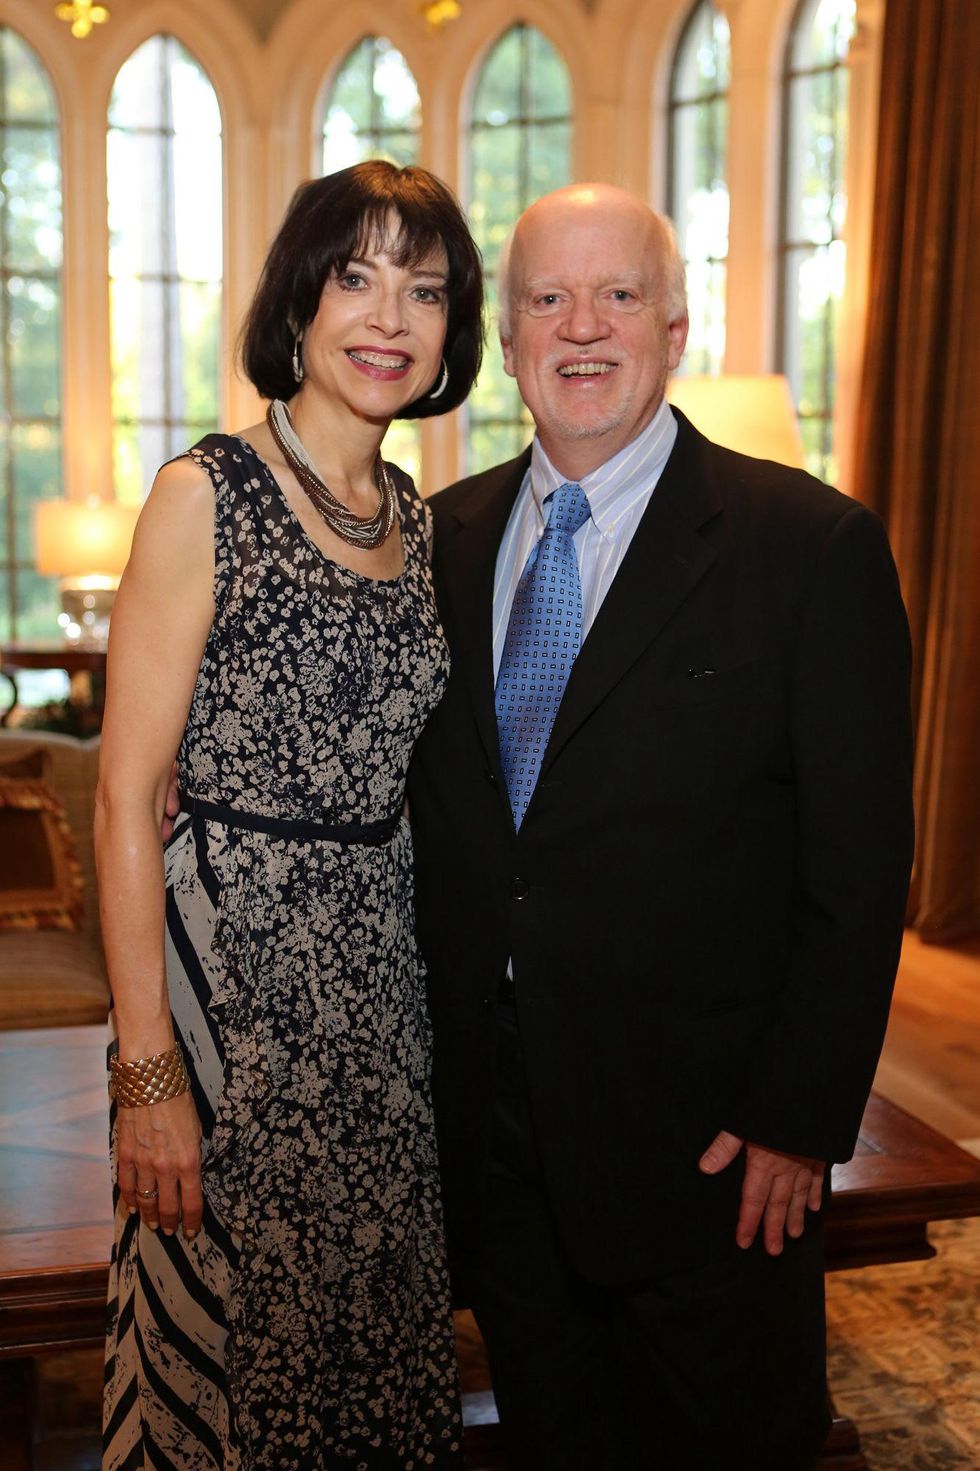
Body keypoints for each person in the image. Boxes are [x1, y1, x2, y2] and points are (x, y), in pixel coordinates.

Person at [407, 183, 914, 1470]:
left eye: (618, 295)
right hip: (496, 1140)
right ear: (506, 340)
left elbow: (857, 870)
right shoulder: (441, 539)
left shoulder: (807, 546)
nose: (582, 326)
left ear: (674, 326)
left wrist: (798, 1115)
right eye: (546, 298)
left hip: (711, 1156)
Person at [96, 160, 483, 1471]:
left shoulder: (415, 520)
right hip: (228, 1001)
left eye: (424, 290)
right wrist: (147, 1069)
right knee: (227, 1354)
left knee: (366, 1338)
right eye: (355, 276)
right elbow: (121, 796)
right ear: (300, 301)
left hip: (379, 1005)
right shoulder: (204, 492)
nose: (388, 316)